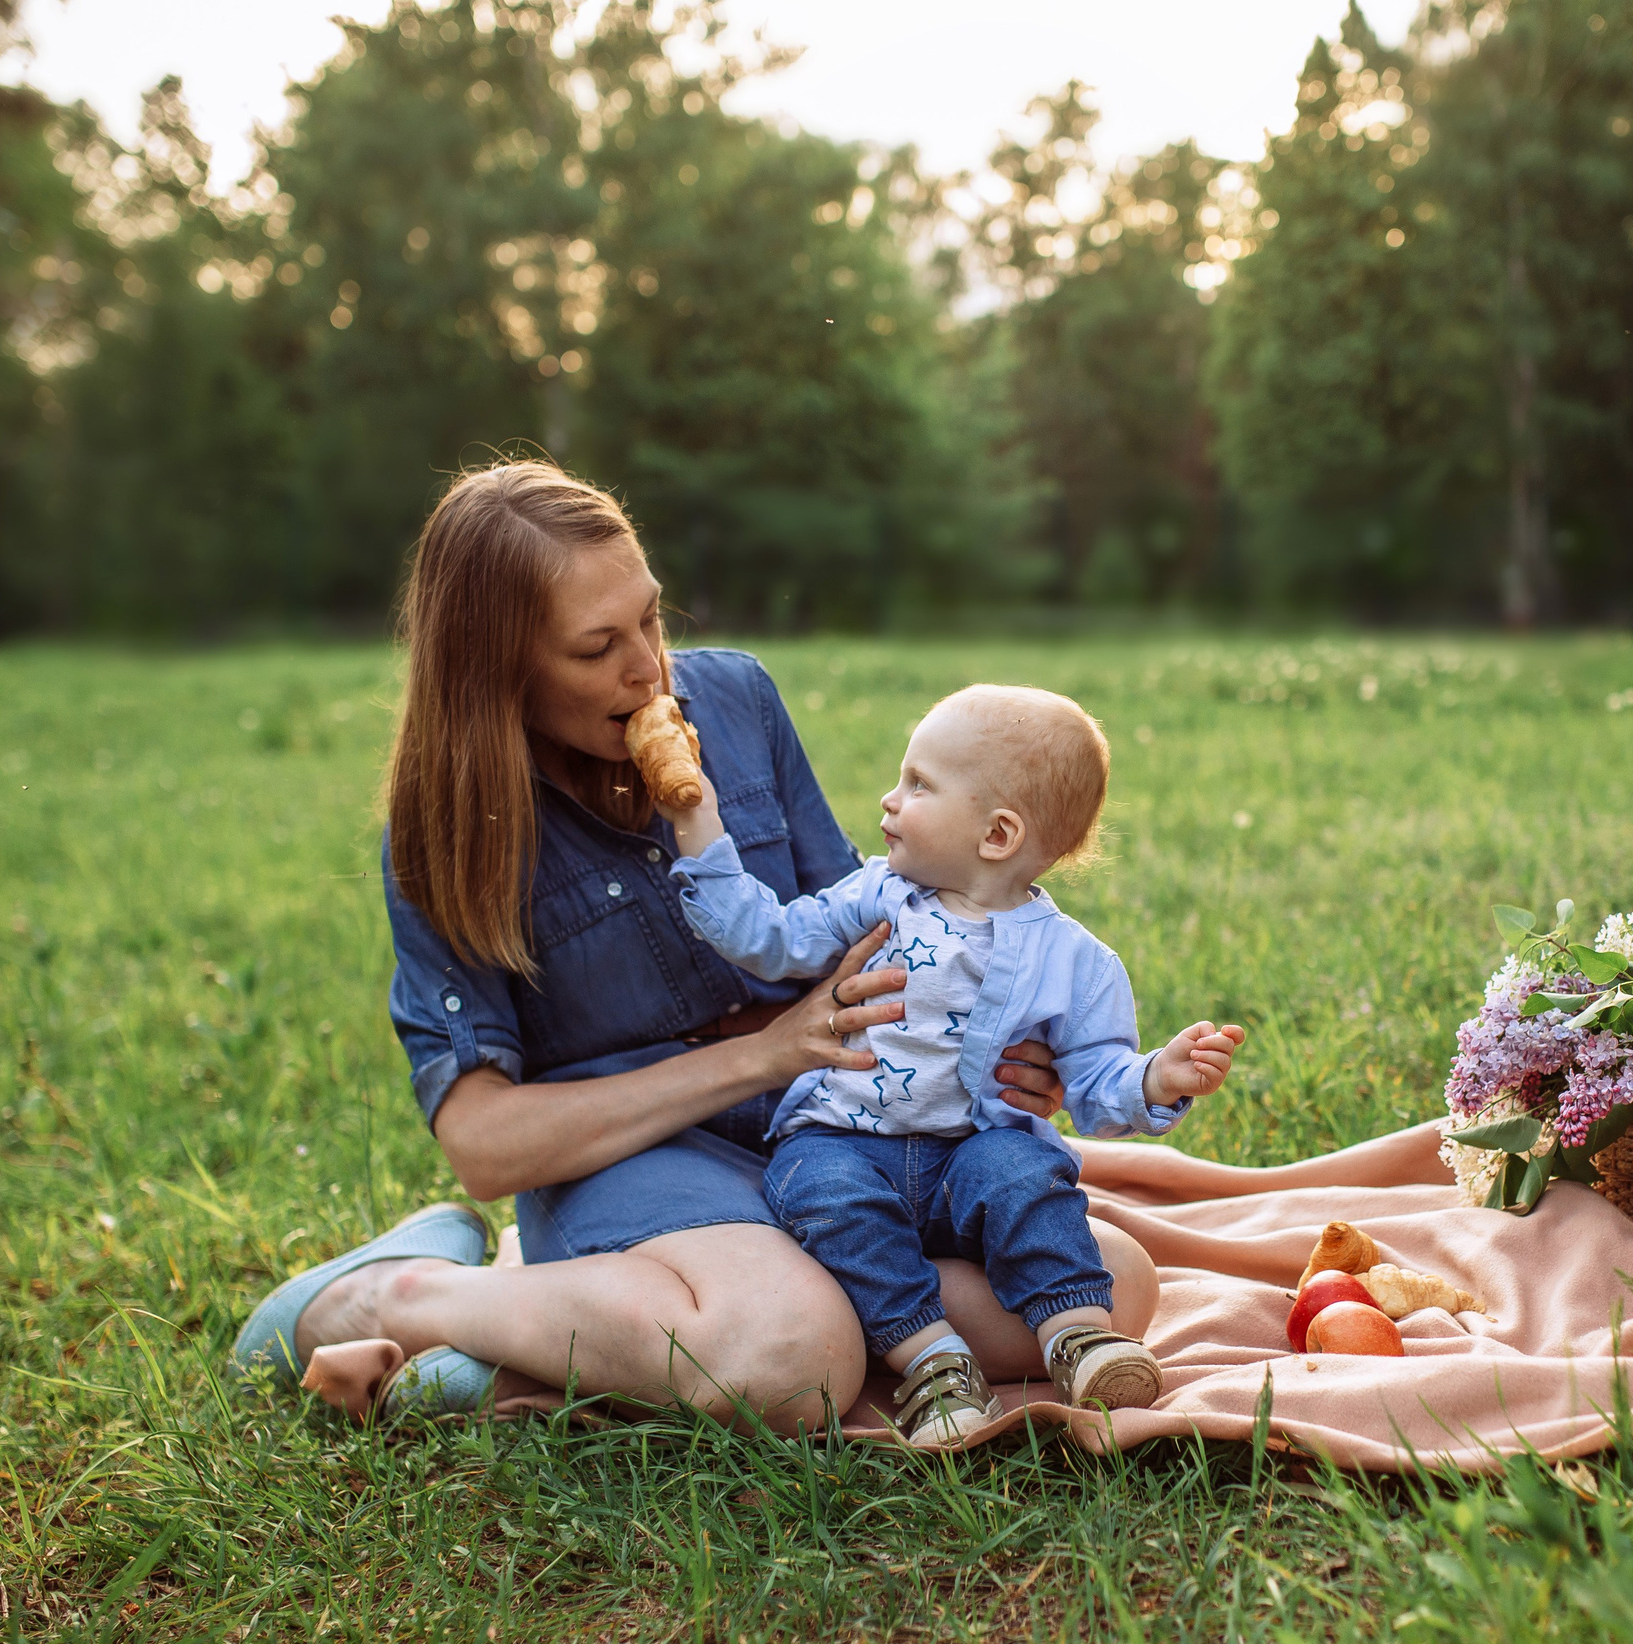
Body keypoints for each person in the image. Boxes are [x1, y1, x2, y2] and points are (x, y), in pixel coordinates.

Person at [229, 461, 1158, 1429]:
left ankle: (536, 1353)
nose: (649, 670)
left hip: (829, 1133)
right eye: (598, 649)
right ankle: (406, 1296)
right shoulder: (445, 836)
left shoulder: (739, 701)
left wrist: (1006, 1046)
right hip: (634, 1164)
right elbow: (483, 1145)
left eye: (652, 620)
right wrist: (759, 1054)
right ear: (497, 670)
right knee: (794, 1363)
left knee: (1107, 1289)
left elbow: (869, 932)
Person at [665, 684, 1245, 1444]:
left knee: (1024, 1174)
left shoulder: (1076, 959)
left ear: (997, 834)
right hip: (843, 1140)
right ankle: (933, 1360)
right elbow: (770, 937)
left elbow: (1096, 1081)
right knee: (822, 1193)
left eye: (918, 785)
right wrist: (697, 826)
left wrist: (1155, 1078)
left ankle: (1081, 1336)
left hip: (968, 1153)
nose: (889, 798)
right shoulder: (879, 894)